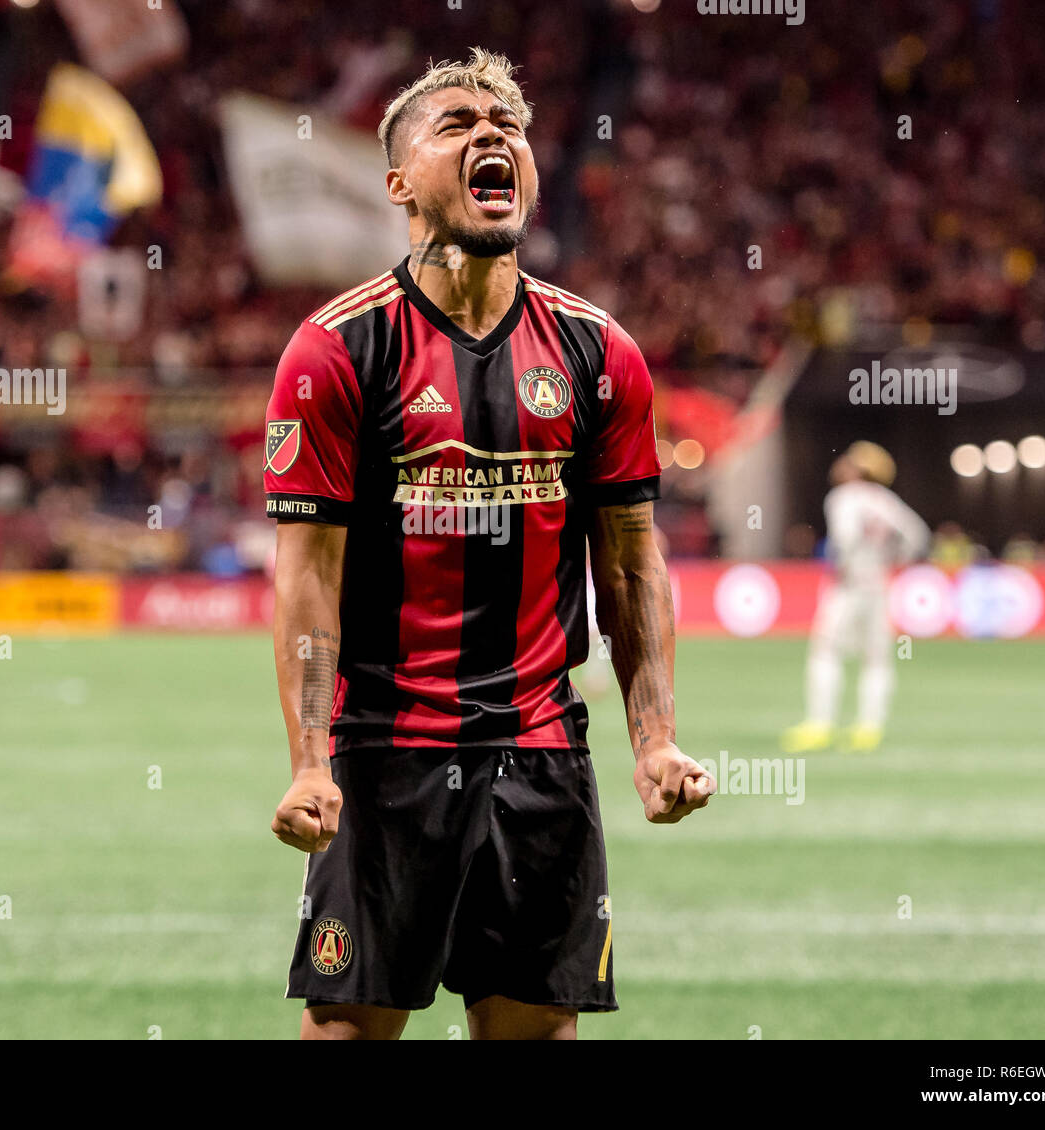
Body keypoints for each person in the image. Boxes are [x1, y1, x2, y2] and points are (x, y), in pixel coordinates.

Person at [263, 49, 714, 1040]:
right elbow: (306, 578)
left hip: (542, 756)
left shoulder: (598, 351)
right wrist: (308, 761)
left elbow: (633, 565)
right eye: (456, 123)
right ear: (399, 185)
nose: (491, 134)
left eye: (506, 123)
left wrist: (653, 739)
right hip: (385, 759)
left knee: (537, 1035)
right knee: (344, 1033)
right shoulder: (338, 347)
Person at [782, 442, 929, 754]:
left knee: (826, 652)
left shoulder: (844, 497)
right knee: (876, 659)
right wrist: (890, 559)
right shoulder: (888, 502)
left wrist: (844, 565)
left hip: (849, 585)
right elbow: (917, 537)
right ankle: (868, 728)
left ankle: (820, 725)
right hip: (878, 583)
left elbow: (845, 538)